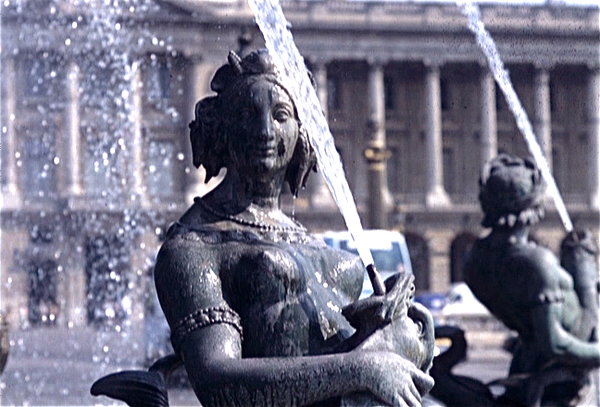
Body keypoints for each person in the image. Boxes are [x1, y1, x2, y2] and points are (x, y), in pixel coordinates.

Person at [153, 49, 435, 407]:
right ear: (221, 129)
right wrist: (361, 368)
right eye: (246, 114)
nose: (265, 130)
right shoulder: (194, 246)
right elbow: (216, 379)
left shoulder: (300, 236)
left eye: (280, 115)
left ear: (301, 132)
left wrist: (391, 319)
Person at [463, 154, 599, 406]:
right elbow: (556, 345)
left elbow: (523, 318)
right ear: (533, 205)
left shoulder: (474, 260)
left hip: (526, 359)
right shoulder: (538, 263)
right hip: (563, 380)